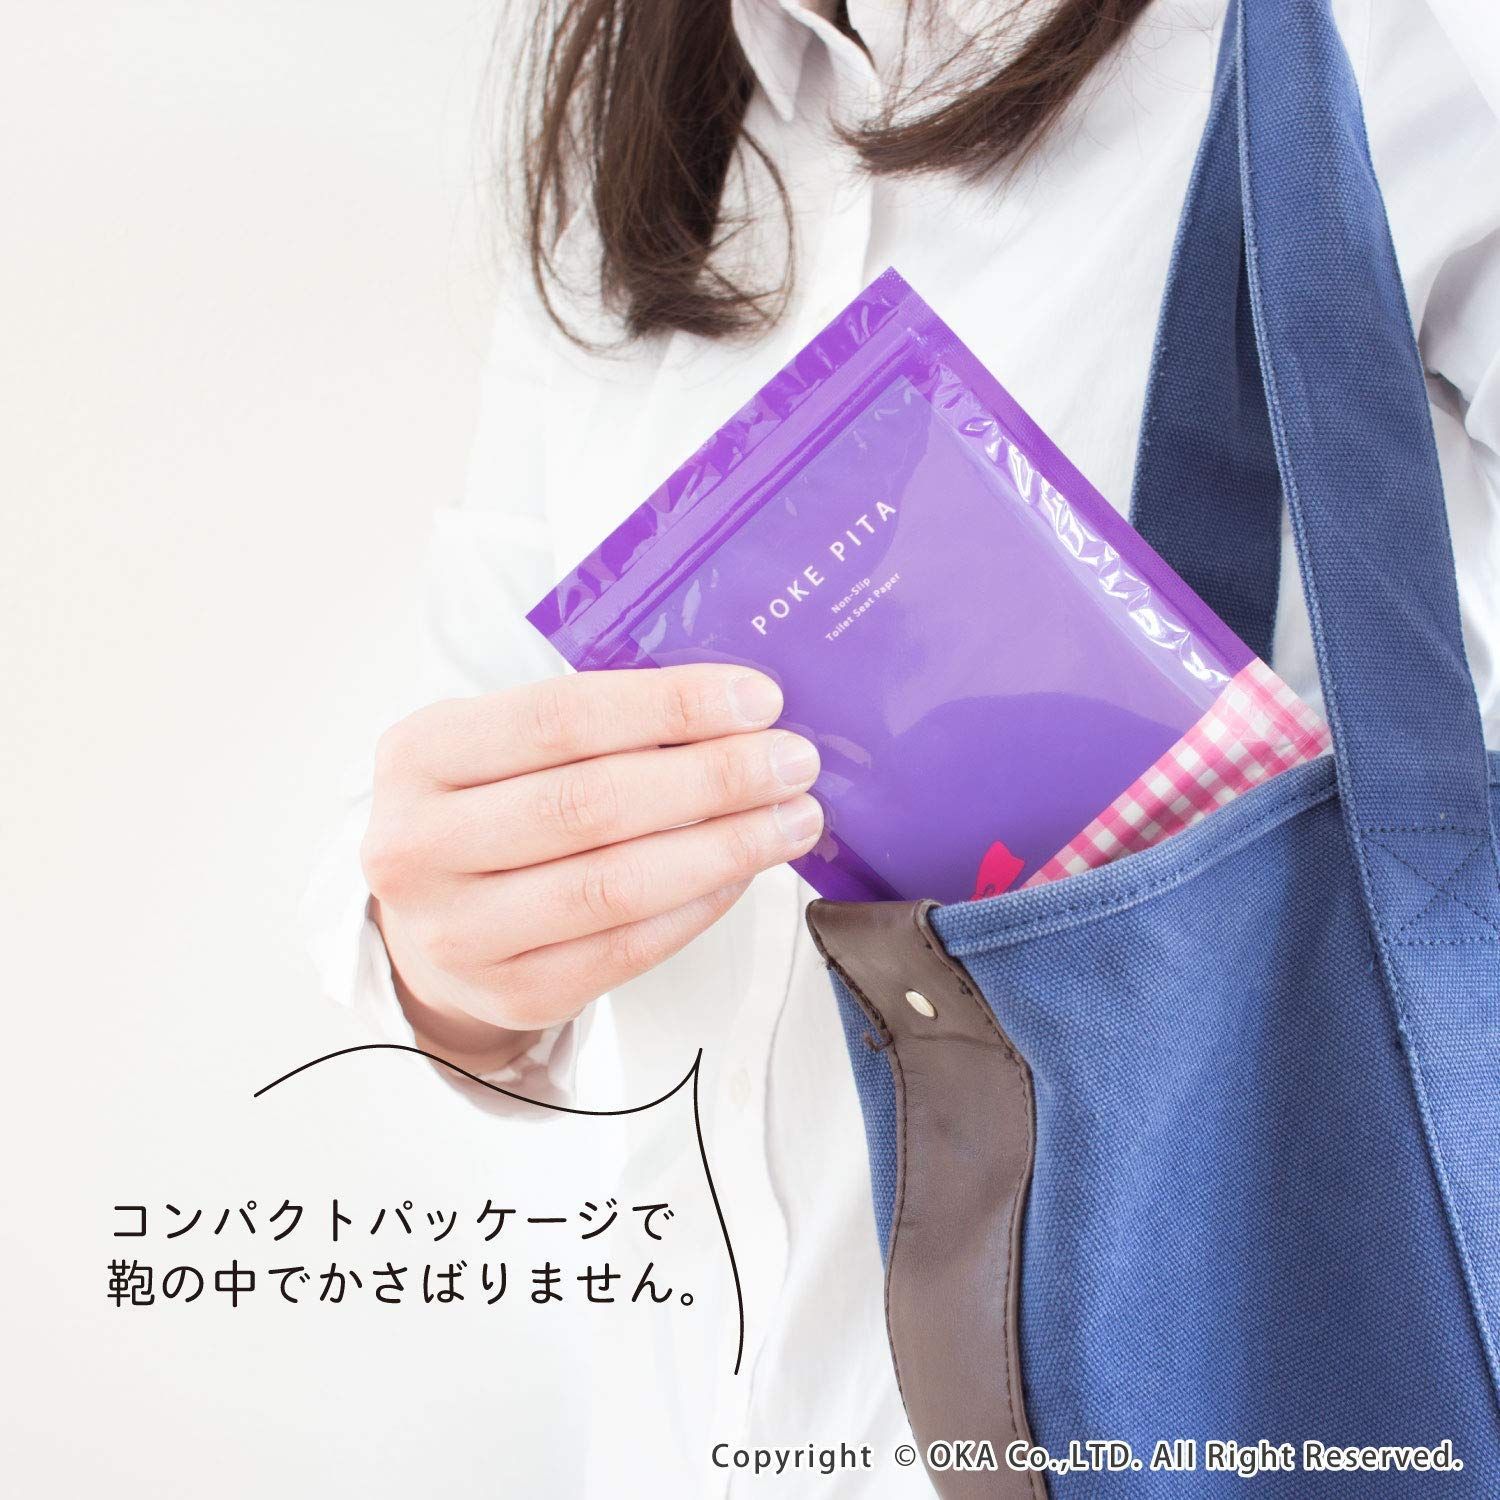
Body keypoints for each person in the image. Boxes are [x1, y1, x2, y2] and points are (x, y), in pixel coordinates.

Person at [303, 2, 1500, 1494]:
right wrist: (454, 962)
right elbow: (467, 755)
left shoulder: (1387, 43)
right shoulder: (643, 109)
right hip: (695, 1429)